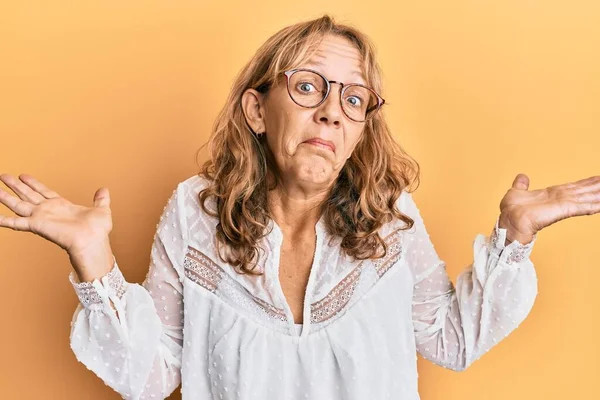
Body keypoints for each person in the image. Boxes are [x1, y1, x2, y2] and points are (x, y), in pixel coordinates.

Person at [0, 15, 599, 400]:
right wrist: (92, 256)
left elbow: (449, 340)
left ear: (361, 128)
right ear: (257, 111)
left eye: (355, 98)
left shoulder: (391, 217)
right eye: (309, 86)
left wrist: (514, 237)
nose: (332, 111)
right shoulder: (194, 213)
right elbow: (152, 375)